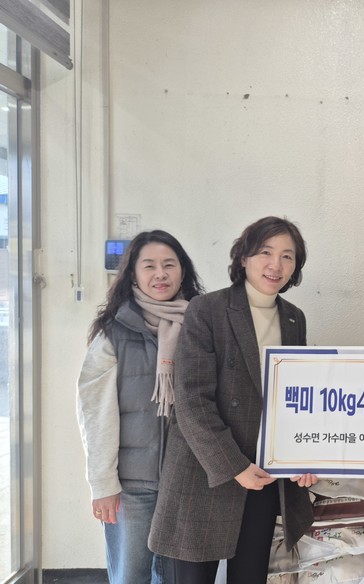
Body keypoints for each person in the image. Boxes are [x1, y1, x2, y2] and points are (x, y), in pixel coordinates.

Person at [148, 216, 317, 584]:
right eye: (265, 252)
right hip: (205, 472)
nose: (276, 265)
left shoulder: (294, 319)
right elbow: (192, 400)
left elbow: (296, 400)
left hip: (262, 476)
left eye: (287, 256)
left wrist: (303, 456)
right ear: (243, 258)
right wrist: (234, 466)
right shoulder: (207, 309)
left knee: (249, 576)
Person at [77, 229, 205, 584]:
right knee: (130, 577)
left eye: (169, 264)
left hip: (187, 479)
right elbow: (95, 413)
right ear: (133, 273)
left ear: (183, 270)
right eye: (149, 266)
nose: (160, 274)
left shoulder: (201, 325)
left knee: (177, 578)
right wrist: (102, 483)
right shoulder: (113, 330)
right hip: (132, 484)